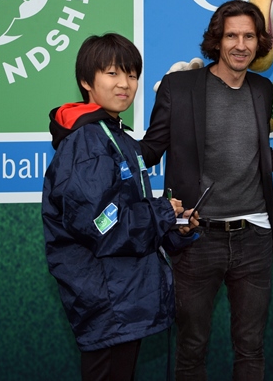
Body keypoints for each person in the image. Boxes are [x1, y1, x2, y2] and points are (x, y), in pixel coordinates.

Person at [42, 33, 198, 381]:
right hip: (106, 299)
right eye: (112, 73)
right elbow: (104, 227)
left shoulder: (114, 135)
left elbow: (125, 212)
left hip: (121, 297)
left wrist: (174, 226)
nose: (125, 84)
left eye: (131, 74)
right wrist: (163, 212)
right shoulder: (88, 142)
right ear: (86, 81)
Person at [139, 0, 273, 381]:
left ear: (259, 42)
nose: (241, 45)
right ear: (217, 40)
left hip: (254, 236)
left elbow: (258, 153)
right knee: (191, 348)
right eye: (232, 36)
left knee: (251, 348)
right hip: (197, 238)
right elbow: (149, 150)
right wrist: (100, 132)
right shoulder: (180, 87)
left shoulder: (262, 89)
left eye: (249, 36)